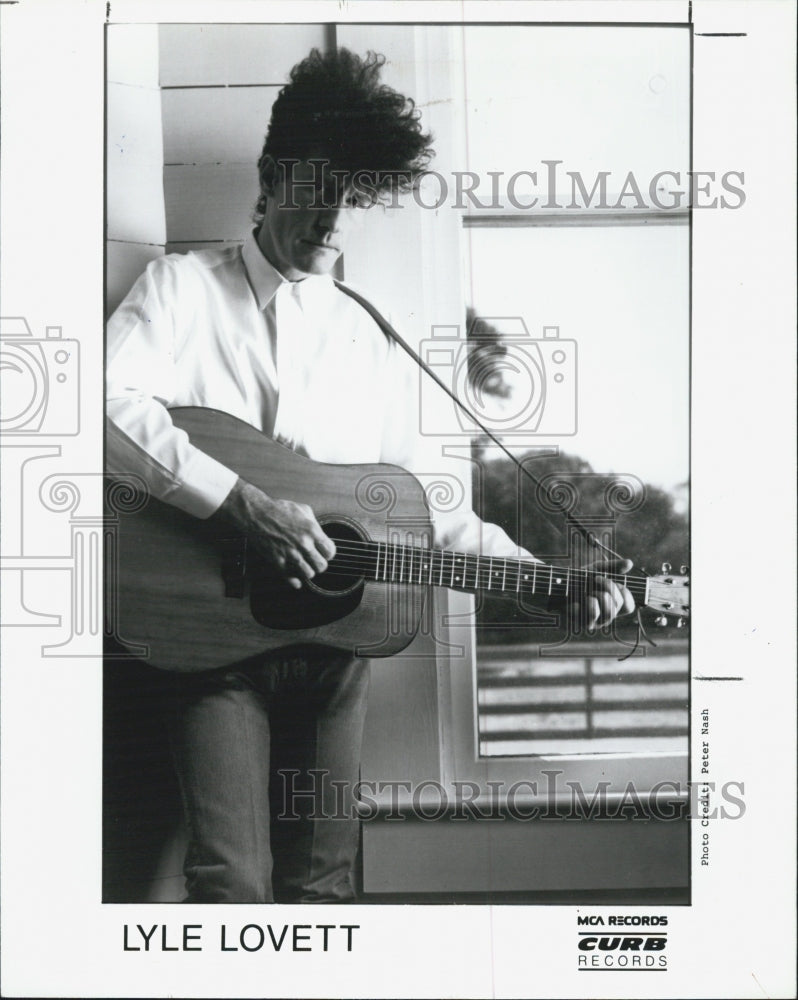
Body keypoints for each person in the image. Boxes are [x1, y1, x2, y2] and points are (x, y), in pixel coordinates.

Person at [106, 48, 634, 903]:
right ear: (274, 176)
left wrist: (547, 584)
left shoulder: (372, 338)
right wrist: (242, 507)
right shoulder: (179, 292)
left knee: (325, 884)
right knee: (231, 882)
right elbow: (94, 405)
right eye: (318, 189)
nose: (334, 217)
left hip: (335, 653)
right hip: (209, 648)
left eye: (353, 198)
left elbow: (436, 515)